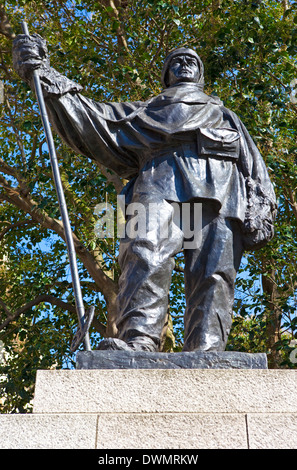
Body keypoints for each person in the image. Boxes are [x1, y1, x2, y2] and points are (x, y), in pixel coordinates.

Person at [12, 34, 277, 353]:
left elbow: (253, 164)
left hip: (222, 191)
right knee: (144, 252)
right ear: (166, 76)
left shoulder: (225, 116)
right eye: (176, 61)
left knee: (214, 271)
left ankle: (207, 351)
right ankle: (139, 340)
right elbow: (94, 119)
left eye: (191, 60)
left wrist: (262, 205)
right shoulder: (145, 113)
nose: (183, 63)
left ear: (201, 75)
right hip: (160, 181)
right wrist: (42, 73)